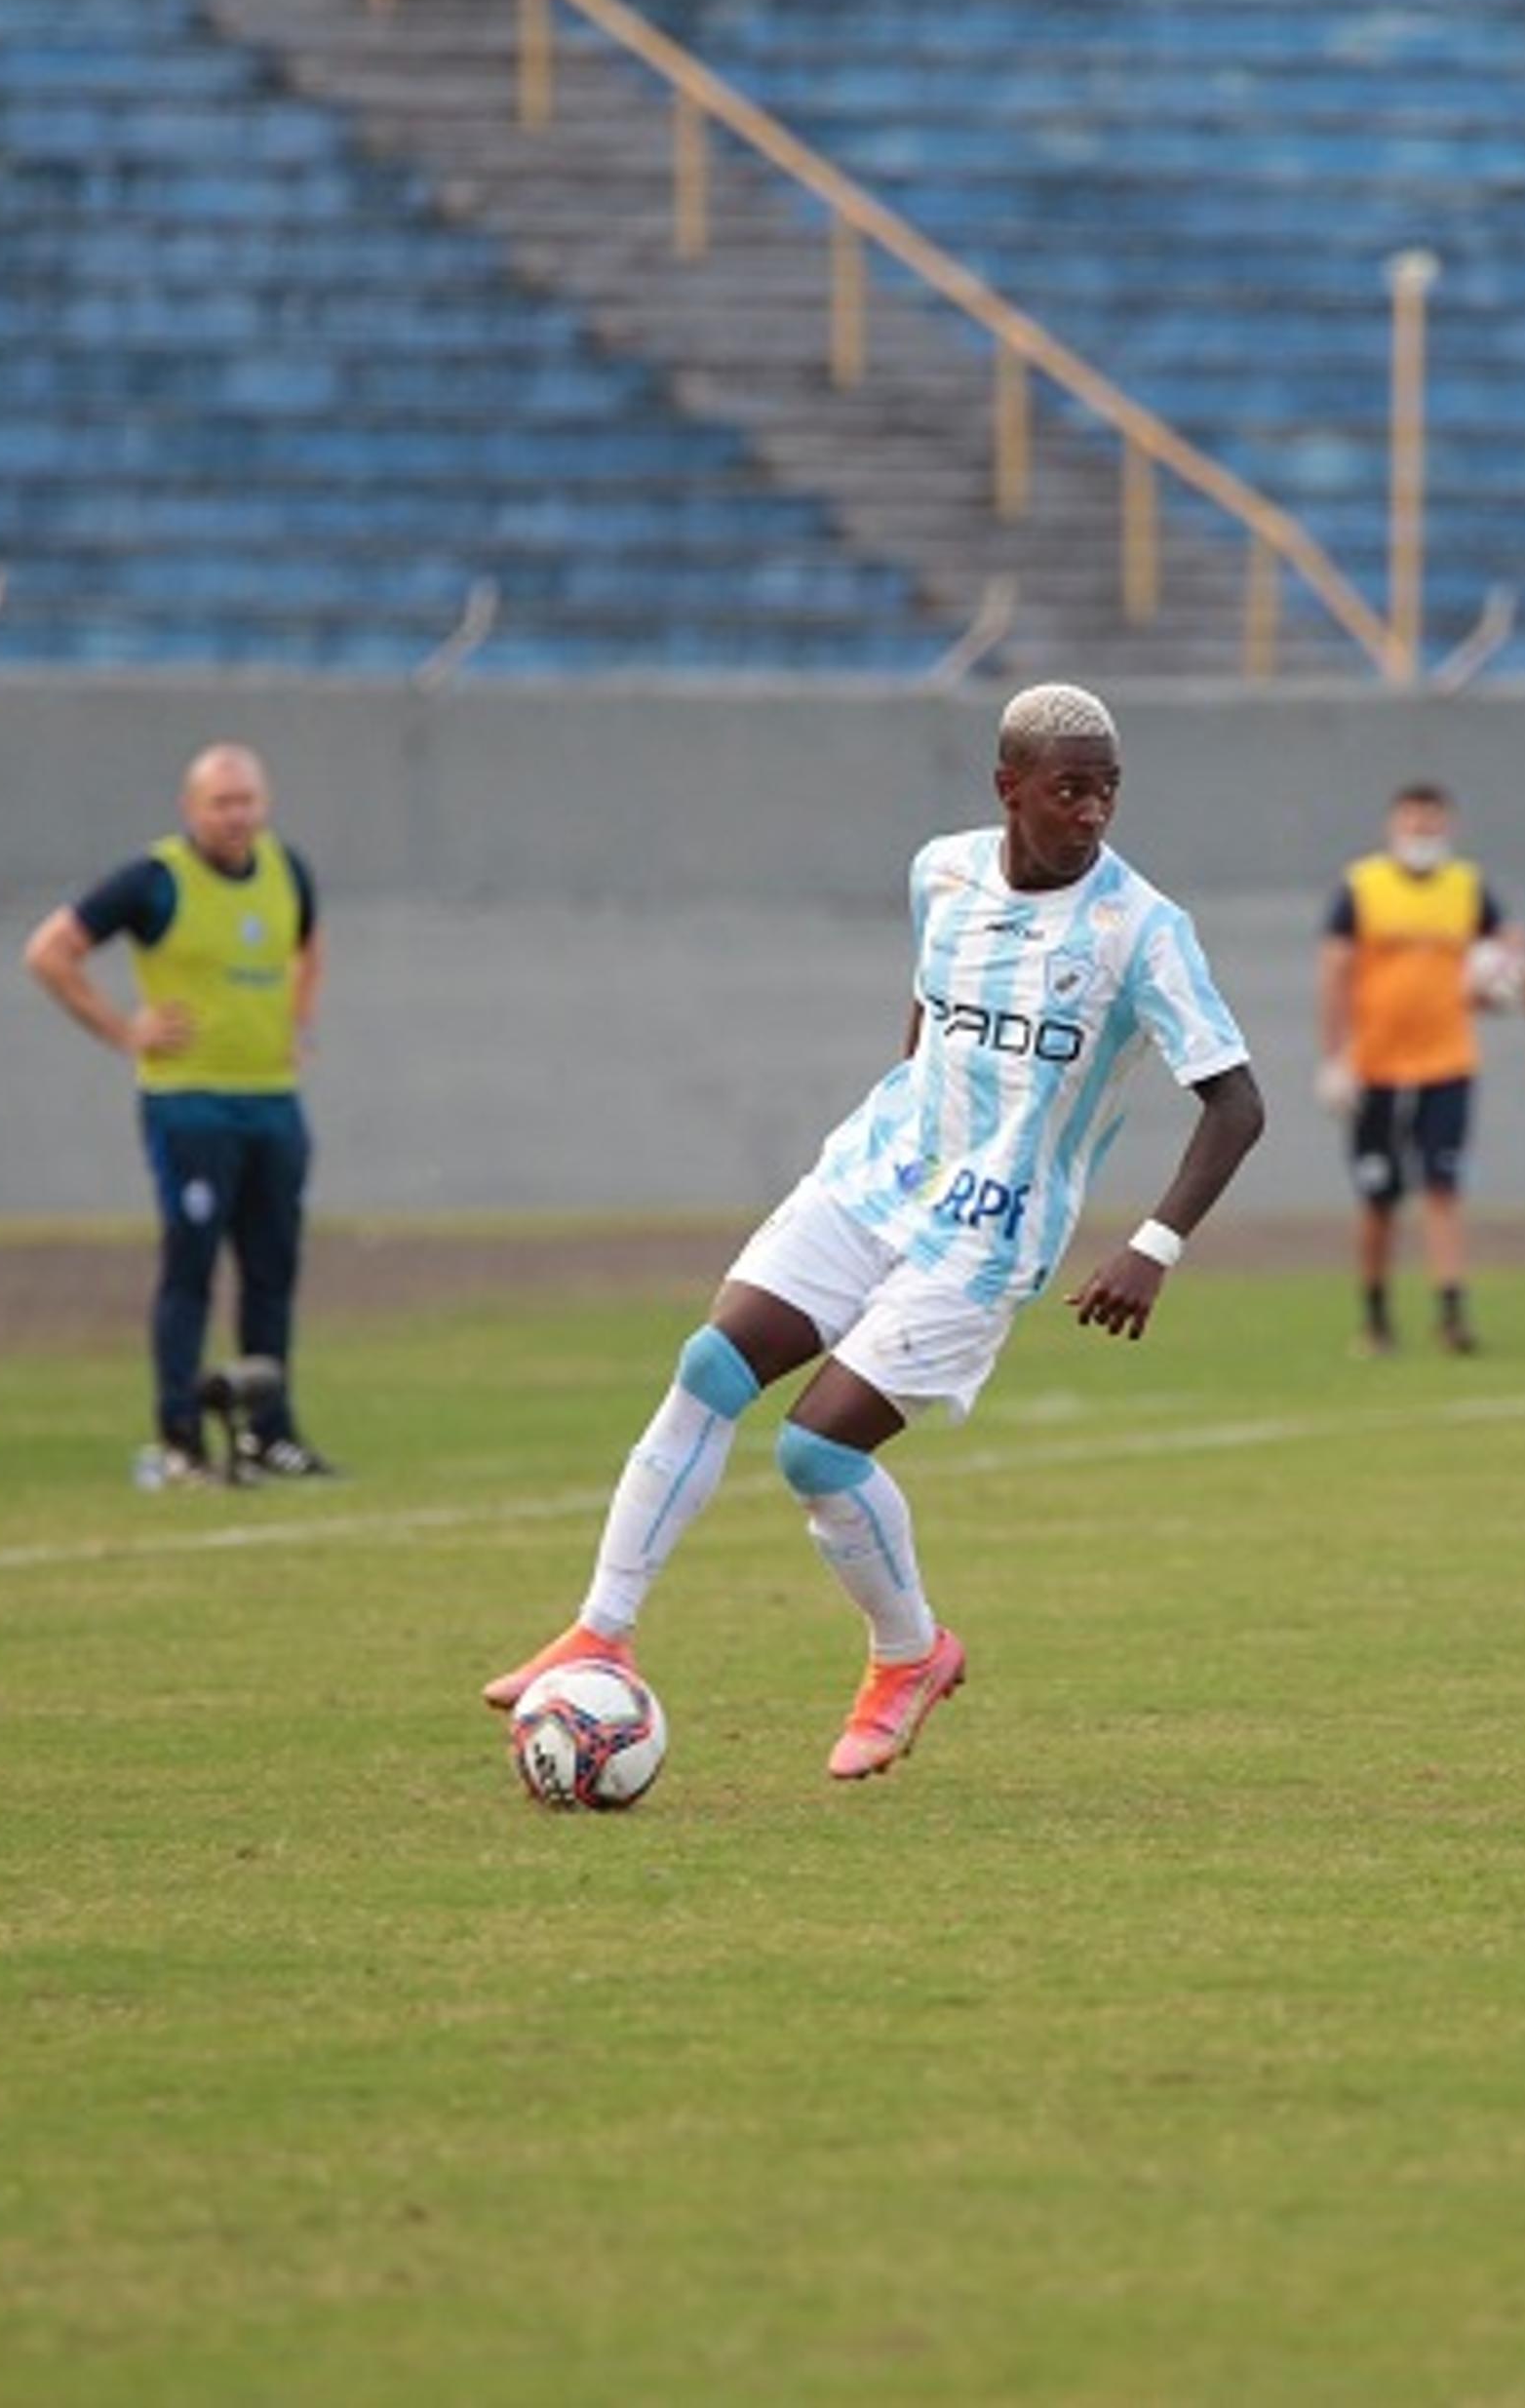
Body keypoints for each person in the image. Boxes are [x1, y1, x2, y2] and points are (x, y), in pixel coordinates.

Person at [482, 683, 1265, 1780]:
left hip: (990, 1230)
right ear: (1009, 789)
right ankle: (601, 1627)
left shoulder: (1142, 932)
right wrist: (912, 1096)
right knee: (711, 1364)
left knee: (815, 1448)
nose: (1093, 812)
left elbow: (1239, 1103)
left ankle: (910, 1653)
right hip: (877, 1173)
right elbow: (931, 1006)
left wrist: (1153, 1244)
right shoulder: (939, 870)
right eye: (1069, 789)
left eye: (1109, 790)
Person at [22, 741, 338, 1485]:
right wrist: (124, 1029)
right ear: (191, 809)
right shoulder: (155, 880)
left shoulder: (287, 871)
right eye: (221, 803)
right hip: (189, 1105)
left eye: (247, 801)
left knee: (272, 1269)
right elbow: (49, 952)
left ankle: (269, 1432)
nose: (237, 816)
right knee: (191, 1268)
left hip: (272, 1102)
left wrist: (298, 1025)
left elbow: (309, 949)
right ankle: (181, 1438)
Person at [1314, 780, 1525, 1358]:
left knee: (1443, 1190)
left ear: (1447, 827)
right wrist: (1334, 1058)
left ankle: (1452, 1316)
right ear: (1392, 826)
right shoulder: (1362, 889)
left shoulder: (1468, 889)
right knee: (1378, 1196)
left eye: (1431, 824)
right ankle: (1376, 1319)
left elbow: (1521, 954)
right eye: (1412, 823)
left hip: (1447, 1063)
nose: (1421, 834)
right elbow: (1334, 975)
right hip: (1374, 1067)